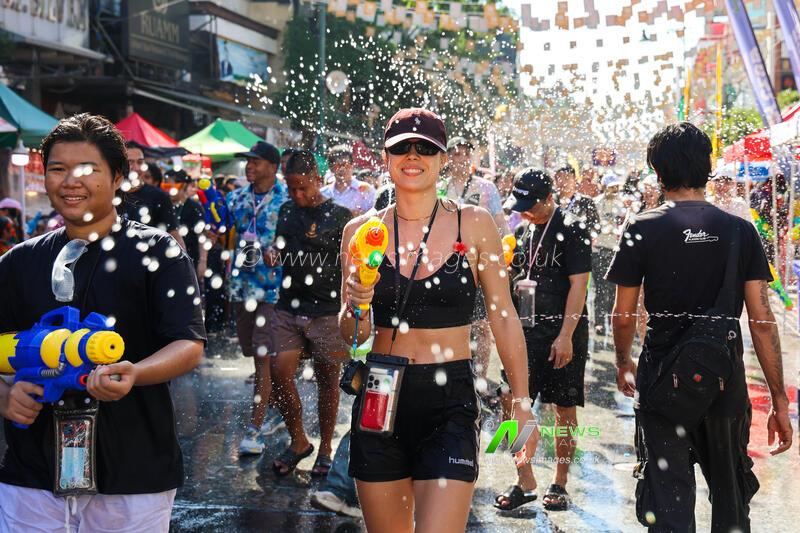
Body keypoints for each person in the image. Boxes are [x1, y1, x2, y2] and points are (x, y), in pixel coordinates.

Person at [0, 113, 205, 530]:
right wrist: (3, 396)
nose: (70, 181)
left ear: (117, 178)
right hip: (31, 472)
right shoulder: (18, 262)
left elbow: (188, 344)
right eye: (57, 169)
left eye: (87, 170)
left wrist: (136, 372)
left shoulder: (158, 252)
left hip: (135, 470)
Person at [340, 108, 536, 532]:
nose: (414, 156)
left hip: (449, 398)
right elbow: (351, 333)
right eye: (401, 148)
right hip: (379, 394)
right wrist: (357, 302)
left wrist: (520, 403)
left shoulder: (475, 223)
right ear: (386, 157)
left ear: (443, 158)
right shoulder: (361, 231)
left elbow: (503, 317)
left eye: (425, 148)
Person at [607, 123, 793, 532]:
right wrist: (778, 398)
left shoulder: (641, 227)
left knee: (667, 502)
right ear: (708, 167)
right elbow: (762, 322)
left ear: (658, 172)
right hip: (723, 381)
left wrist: (623, 361)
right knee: (731, 498)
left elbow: (623, 314)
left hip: (661, 383)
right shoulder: (739, 231)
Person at [496, 168, 592, 512]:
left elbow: (579, 285)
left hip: (563, 332)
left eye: (529, 205)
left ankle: (560, 481)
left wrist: (566, 335)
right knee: (509, 398)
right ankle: (525, 477)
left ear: (549, 199)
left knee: (563, 407)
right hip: (526, 332)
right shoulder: (521, 231)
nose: (523, 211)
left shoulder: (572, 228)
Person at [267, 150, 352, 476]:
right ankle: (299, 440)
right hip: (289, 306)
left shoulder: (340, 215)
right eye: (291, 189)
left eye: (303, 188)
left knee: (327, 381)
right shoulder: (286, 210)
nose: (297, 195)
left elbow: (349, 264)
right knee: (279, 372)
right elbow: (279, 246)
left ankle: (326, 447)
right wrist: (273, 253)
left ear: (318, 179)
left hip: (328, 312)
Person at [227, 141, 288, 455]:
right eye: (248, 161)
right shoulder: (235, 198)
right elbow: (229, 236)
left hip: (272, 290)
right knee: (252, 351)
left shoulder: (287, 201)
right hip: (241, 287)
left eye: (256, 161)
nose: (249, 166)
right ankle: (276, 404)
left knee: (263, 356)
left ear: (272, 167)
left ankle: (255, 427)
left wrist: (283, 254)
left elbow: (295, 243)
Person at [442, 136, 509, 391]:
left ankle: (480, 378)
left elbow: (500, 223)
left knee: (482, 326)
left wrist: (505, 250)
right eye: (456, 154)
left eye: (466, 154)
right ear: (448, 158)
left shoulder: (486, 188)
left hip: (479, 263)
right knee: (449, 322)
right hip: (446, 263)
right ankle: (453, 372)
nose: (462, 158)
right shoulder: (440, 187)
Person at [120, 144, 185, 249]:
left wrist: (185, 263)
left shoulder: (159, 196)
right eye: (130, 162)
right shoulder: (110, 194)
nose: (136, 168)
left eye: (140, 162)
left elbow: (174, 234)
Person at [592, 173, 627, 336]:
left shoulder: (621, 204)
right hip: (600, 249)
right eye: (612, 186)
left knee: (613, 289)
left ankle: (610, 320)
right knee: (600, 288)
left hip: (615, 250)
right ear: (605, 187)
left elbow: (623, 224)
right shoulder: (597, 203)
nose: (615, 190)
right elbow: (593, 226)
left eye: (617, 187)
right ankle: (599, 322)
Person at [321, 145, 376, 217]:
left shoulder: (367, 190)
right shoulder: (323, 194)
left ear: (352, 165)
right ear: (331, 168)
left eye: (345, 165)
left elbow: (375, 217)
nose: (342, 169)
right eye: (338, 165)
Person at [165, 169, 204, 268]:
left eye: (174, 187)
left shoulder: (194, 207)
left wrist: (203, 261)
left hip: (190, 257)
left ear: (184, 186)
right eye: (166, 187)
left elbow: (202, 236)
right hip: (167, 259)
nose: (170, 191)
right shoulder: (164, 205)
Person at [553, 165, 600, 231]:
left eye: (567, 178)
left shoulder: (586, 202)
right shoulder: (551, 201)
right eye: (559, 178)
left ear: (575, 180)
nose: (563, 182)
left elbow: (595, 227)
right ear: (555, 181)